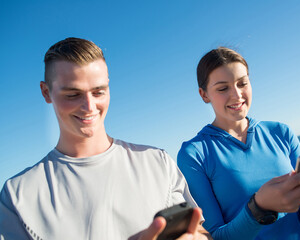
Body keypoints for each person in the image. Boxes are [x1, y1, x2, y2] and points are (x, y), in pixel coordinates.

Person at [0, 37, 210, 240]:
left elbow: (200, 232)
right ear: (46, 92)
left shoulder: (158, 162)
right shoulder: (18, 195)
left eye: (98, 92)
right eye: (73, 95)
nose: (89, 107)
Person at [177, 47, 300, 240]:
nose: (237, 95)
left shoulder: (281, 132)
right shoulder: (194, 154)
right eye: (223, 88)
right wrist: (258, 208)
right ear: (204, 95)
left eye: (242, 83)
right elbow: (215, 237)